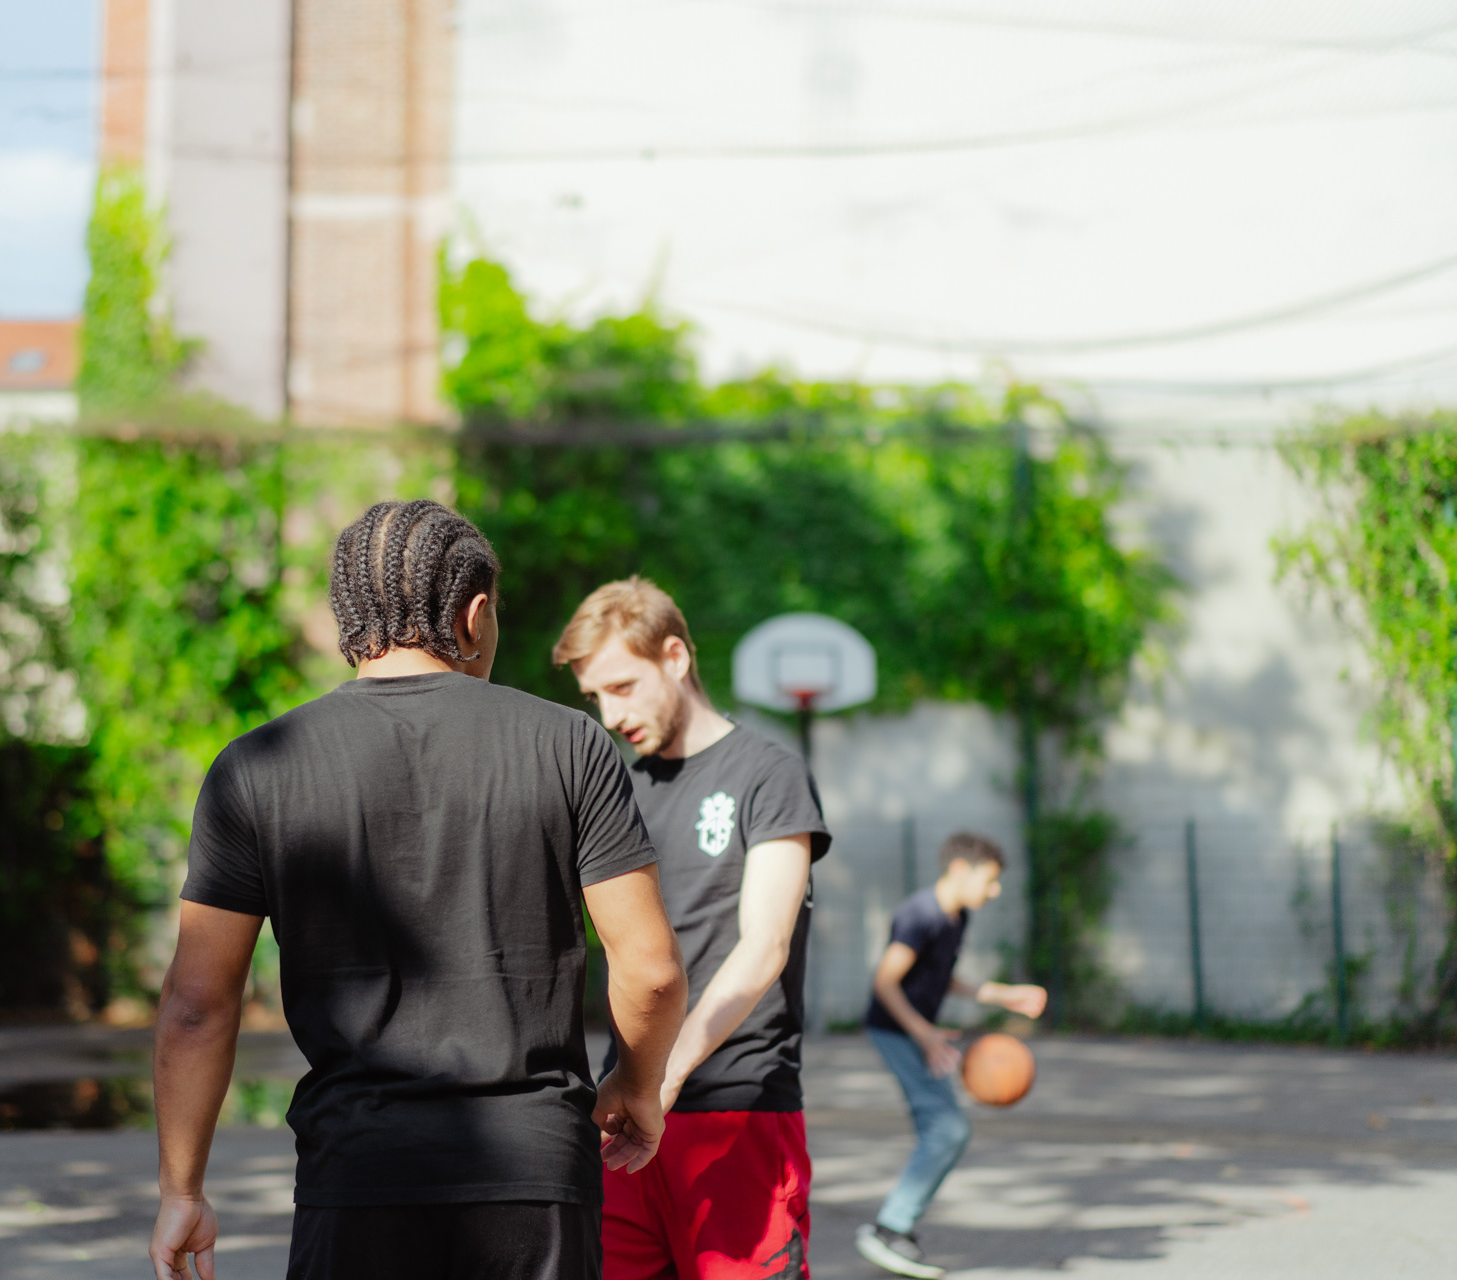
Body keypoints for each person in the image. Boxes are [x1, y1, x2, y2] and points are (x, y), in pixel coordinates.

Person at [149, 500, 689, 1280]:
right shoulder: (570, 744)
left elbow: (197, 1004)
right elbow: (651, 970)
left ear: (348, 621)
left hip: (354, 1176)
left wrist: (182, 1189)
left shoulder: (255, 767)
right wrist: (638, 1086)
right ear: (474, 616)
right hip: (535, 1176)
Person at [556, 577, 831, 1280]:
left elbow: (765, 945)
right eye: (595, 697)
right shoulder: (622, 790)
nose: (611, 714)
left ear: (675, 657)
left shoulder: (770, 774)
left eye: (622, 686)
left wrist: (665, 1073)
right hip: (629, 1116)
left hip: (737, 1110)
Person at [853, 832, 1047, 1280]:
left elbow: (943, 977)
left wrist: (1004, 995)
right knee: (947, 1129)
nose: (994, 890)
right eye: (990, 880)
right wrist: (924, 1034)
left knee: (946, 1130)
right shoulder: (919, 915)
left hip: (917, 1033)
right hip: (896, 1031)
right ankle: (889, 1228)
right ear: (960, 870)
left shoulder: (955, 917)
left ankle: (895, 1227)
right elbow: (885, 981)